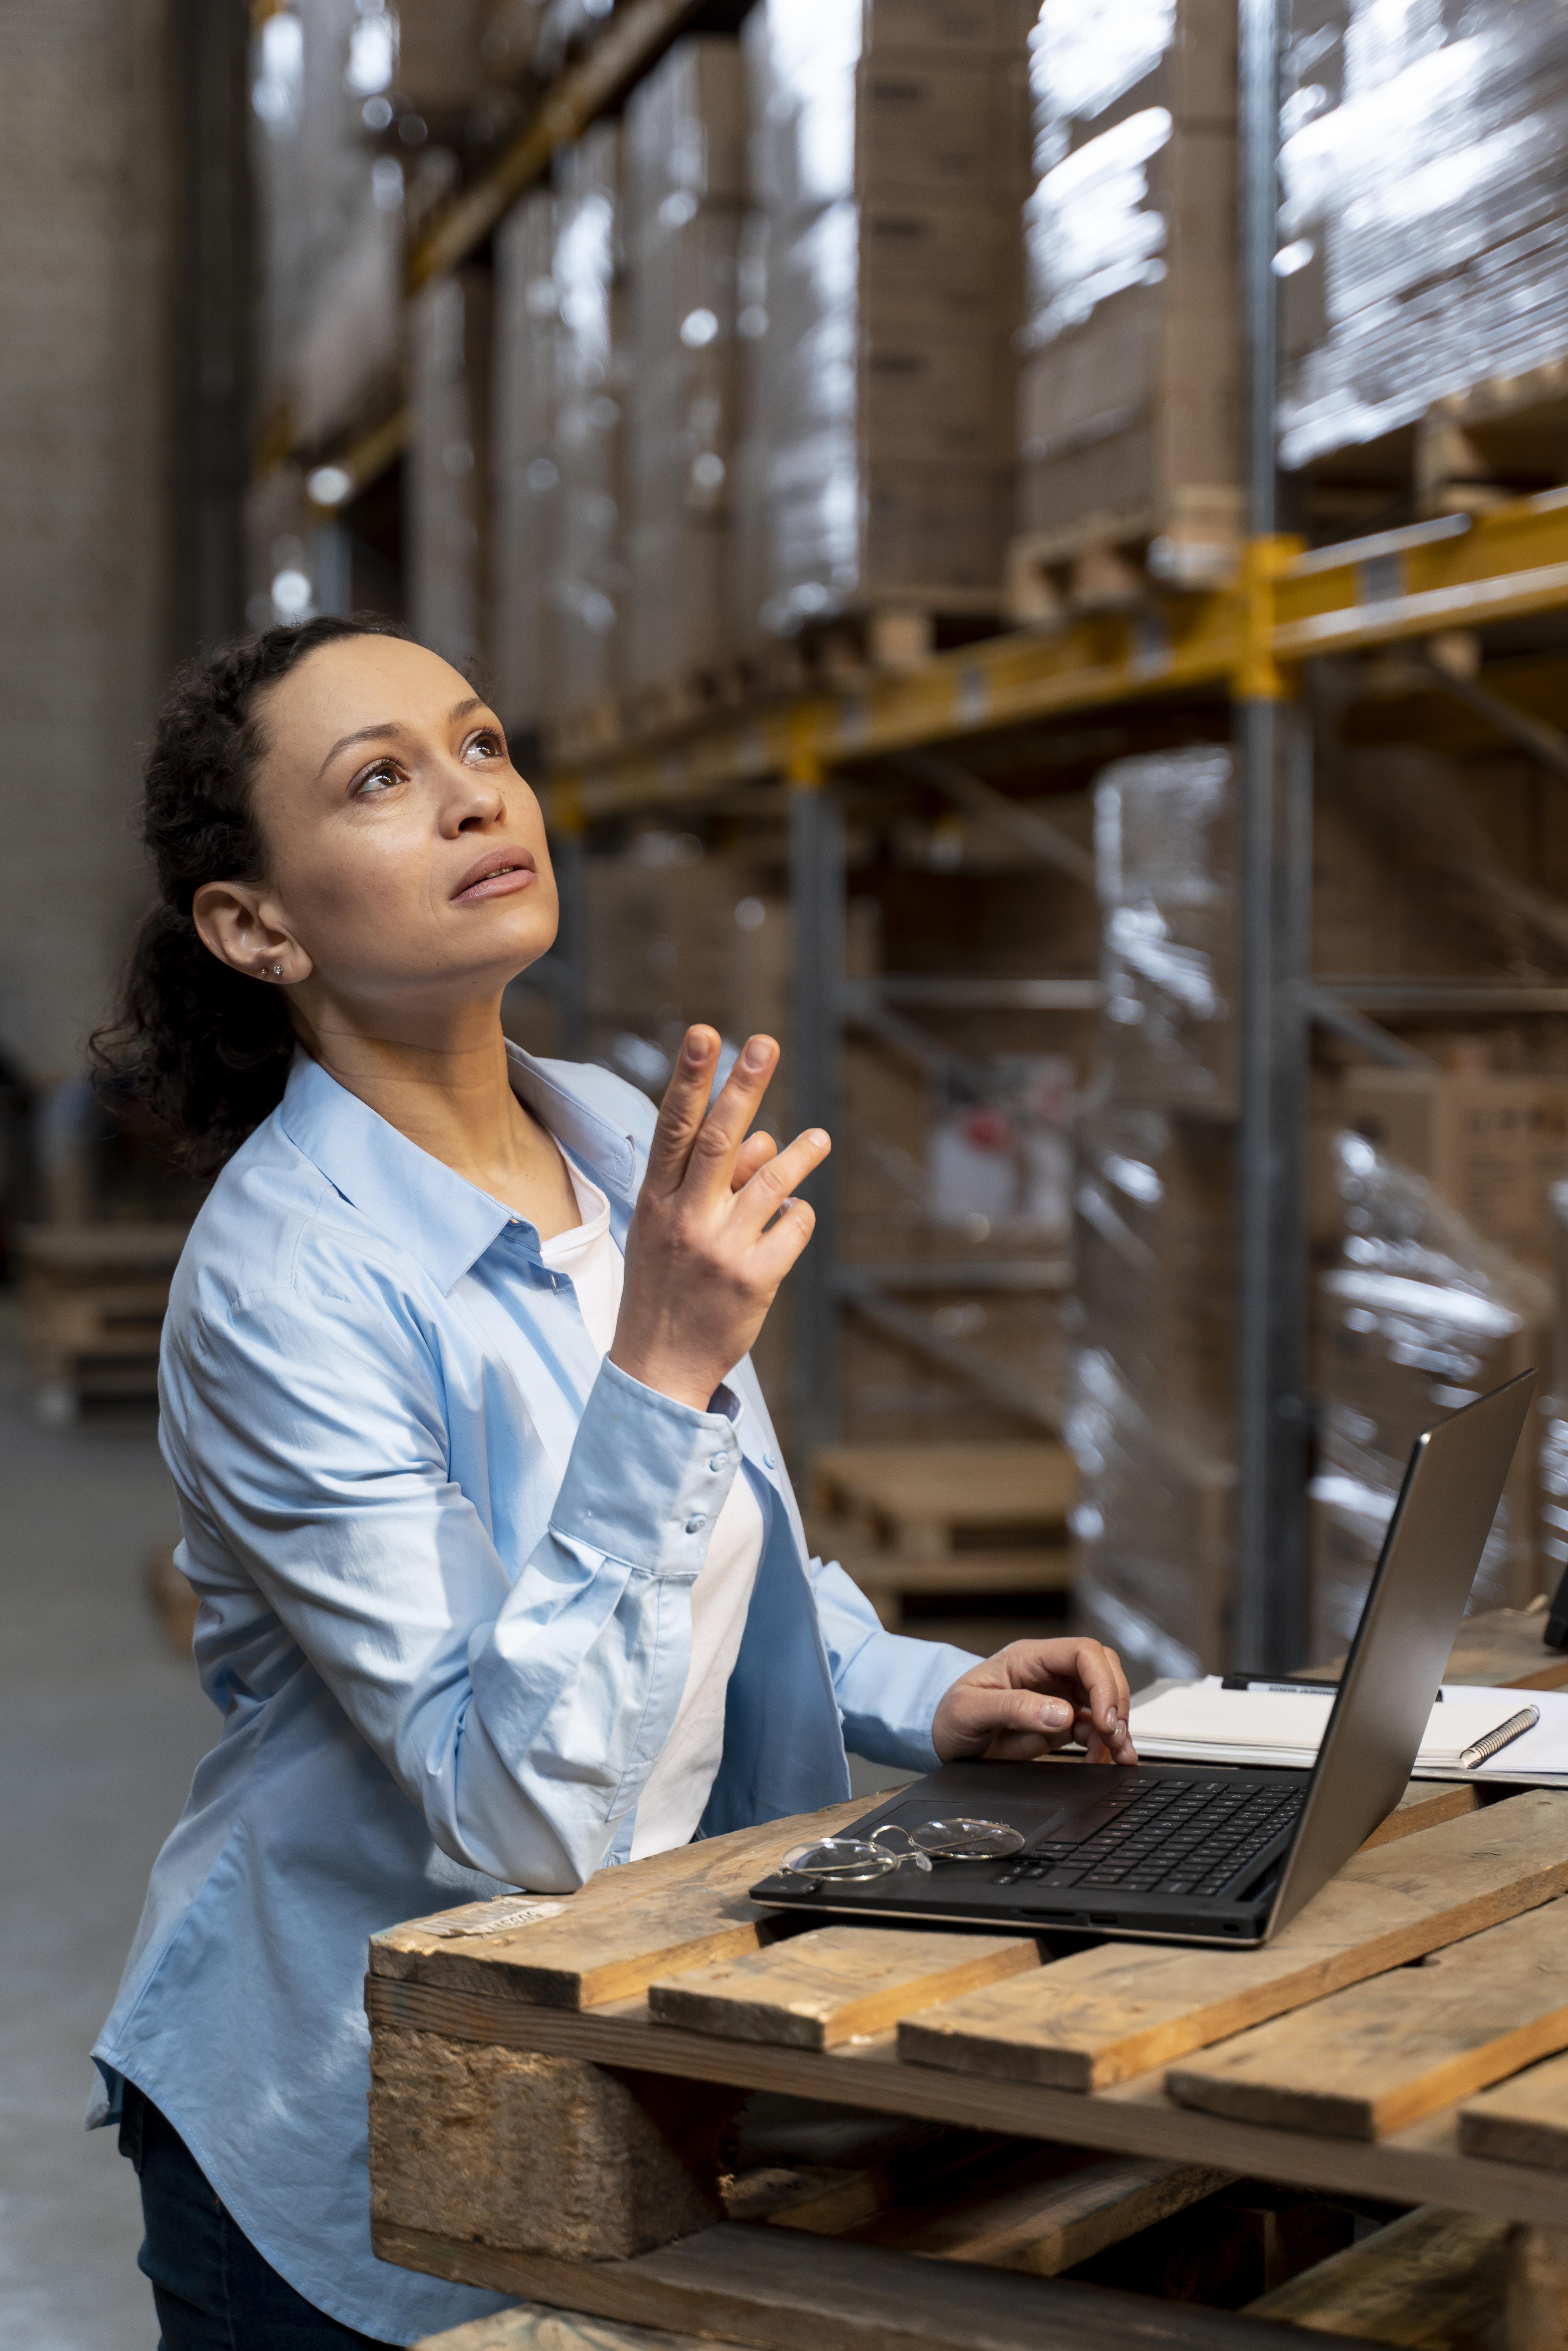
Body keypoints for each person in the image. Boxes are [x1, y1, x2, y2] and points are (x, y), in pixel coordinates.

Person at [90, 616, 1136, 2349]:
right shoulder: (281, 1285)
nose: (472, 801)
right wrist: (658, 1363)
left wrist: (925, 1689)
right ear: (253, 925)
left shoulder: (607, 1129)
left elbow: (734, 1561)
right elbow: (521, 1819)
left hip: (633, 2044)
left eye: (483, 744)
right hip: (351, 2119)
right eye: (380, 780)